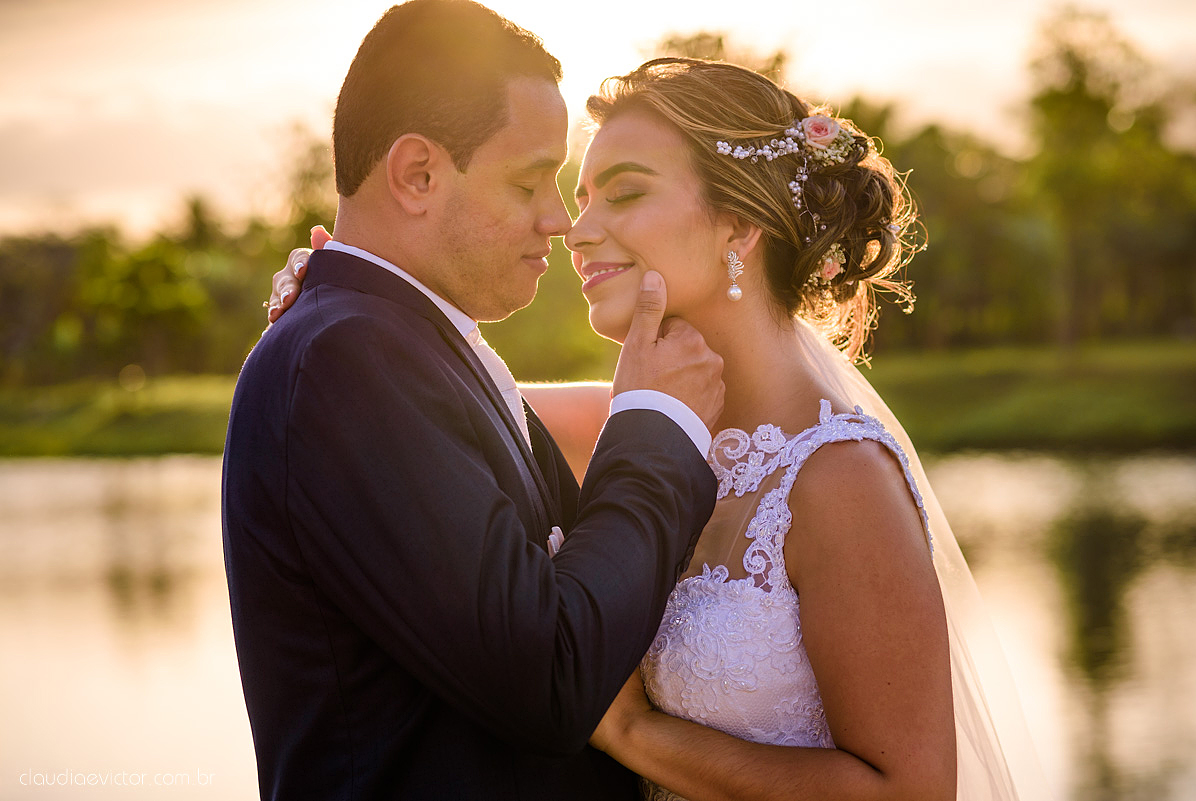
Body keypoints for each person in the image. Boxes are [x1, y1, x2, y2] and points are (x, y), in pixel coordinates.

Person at [272, 58, 1048, 801]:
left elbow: (911, 790)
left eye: (624, 193)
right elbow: (439, 405)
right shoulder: (641, 423)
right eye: (583, 197)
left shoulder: (841, 476)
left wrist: (635, 733)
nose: (576, 230)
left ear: (737, 224)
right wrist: (355, 305)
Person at [222, 3, 725, 800]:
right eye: (530, 181)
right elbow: (550, 674)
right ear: (417, 173)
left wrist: (673, 403)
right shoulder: (345, 359)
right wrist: (659, 430)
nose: (558, 222)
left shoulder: (393, 345)